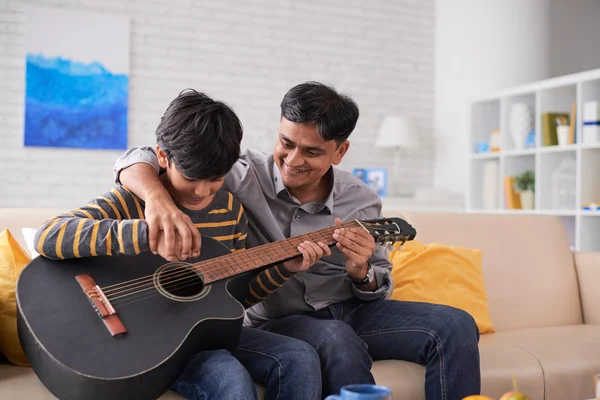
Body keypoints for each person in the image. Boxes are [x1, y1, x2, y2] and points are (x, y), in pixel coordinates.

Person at [113, 82, 481, 400]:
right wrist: (156, 200)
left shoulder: (362, 200)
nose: (292, 160)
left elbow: (378, 285)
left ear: (340, 151)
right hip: (280, 319)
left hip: (353, 311)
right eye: (286, 143)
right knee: (334, 337)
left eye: (312, 151)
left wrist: (362, 271)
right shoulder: (239, 173)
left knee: (456, 324)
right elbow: (145, 155)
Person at [34, 89, 326, 400]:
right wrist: (145, 233)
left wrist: (283, 269)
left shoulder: (230, 211)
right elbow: (48, 235)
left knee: (301, 357)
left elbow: (233, 300)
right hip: (146, 340)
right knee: (231, 378)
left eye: (215, 178)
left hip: (203, 333)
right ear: (162, 157)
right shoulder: (131, 200)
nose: (202, 191)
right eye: (191, 176)